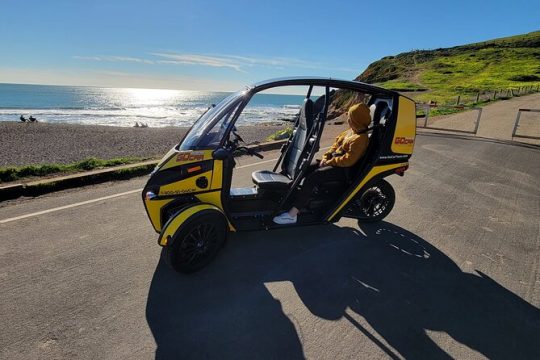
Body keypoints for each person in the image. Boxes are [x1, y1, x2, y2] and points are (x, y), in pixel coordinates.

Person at [273, 102, 372, 225]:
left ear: (357, 119)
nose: (348, 119)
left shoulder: (361, 138)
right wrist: (326, 157)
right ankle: (288, 196)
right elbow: (335, 146)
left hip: (344, 169)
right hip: (334, 162)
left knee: (312, 178)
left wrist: (329, 162)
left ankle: (293, 214)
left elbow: (349, 160)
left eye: (350, 117)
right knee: (304, 167)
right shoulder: (350, 131)